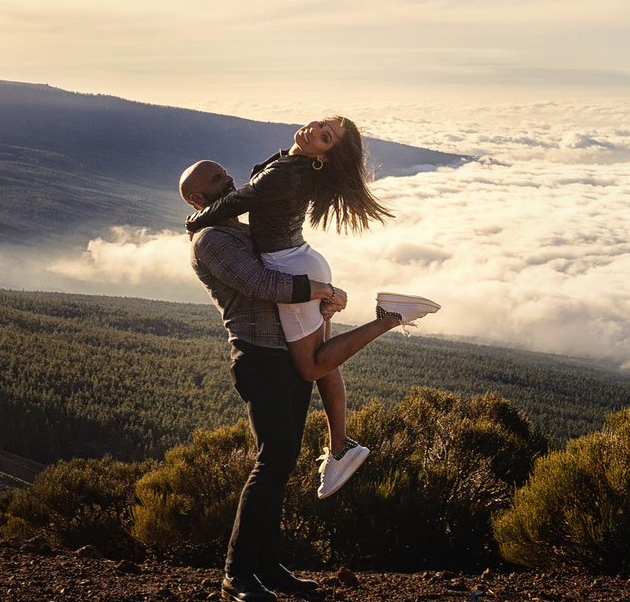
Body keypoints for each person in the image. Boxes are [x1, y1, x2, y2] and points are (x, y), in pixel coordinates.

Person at [180, 150, 427, 602]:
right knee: (273, 458)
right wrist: (321, 290)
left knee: (283, 459)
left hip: (287, 355)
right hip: (257, 357)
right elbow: (261, 284)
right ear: (198, 198)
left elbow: (281, 262)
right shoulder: (211, 240)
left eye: (225, 170)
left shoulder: (237, 228)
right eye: (217, 178)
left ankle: (268, 565)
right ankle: (236, 572)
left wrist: (321, 301)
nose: (228, 178)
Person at [184, 117, 439, 498]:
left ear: (324, 153)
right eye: (321, 125)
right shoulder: (289, 166)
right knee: (323, 363)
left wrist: (193, 221)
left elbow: (240, 204)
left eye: (325, 137)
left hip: (291, 268)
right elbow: (254, 188)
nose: (315, 131)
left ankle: (390, 318)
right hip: (302, 261)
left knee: (312, 365)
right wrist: (319, 288)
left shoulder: (284, 174)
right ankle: (341, 447)